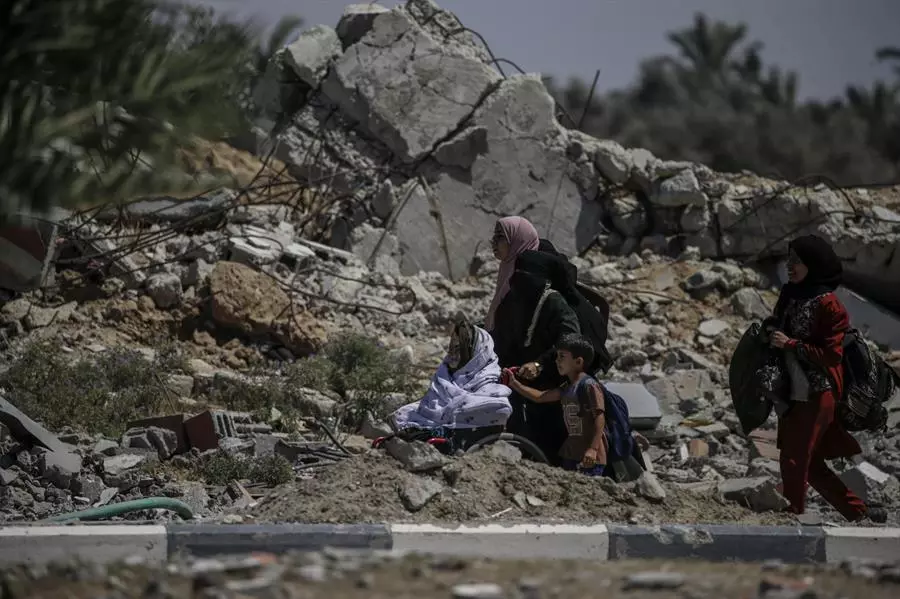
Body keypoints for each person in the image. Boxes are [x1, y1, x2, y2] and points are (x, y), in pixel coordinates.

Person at [765, 234, 886, 523]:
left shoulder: (830, 306)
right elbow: (777, 323)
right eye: (789, 260)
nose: (791, 266)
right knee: (811, 462)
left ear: (814, 264)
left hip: (818, 393)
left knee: (794, 456)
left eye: (798, 261)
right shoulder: (790, 294)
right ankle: (858, 511)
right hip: (792, 390)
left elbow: (831, 356)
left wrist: (791, 345)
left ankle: (791, 516)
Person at [504, 334, 631, 476]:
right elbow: (540, 397)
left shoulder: (589, 386)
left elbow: (599, 418)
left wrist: (593, 449)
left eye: (562, 357)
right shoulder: (567, 387)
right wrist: (514, 384)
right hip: (572, 451)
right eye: (557, 356)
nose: (557, 361)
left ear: (578, 361)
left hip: (589, 456)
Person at [391, 315, 512, 433]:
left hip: (462, 435)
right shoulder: (445, 373)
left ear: (476, 354)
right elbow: (431, 403)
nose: (452, 353)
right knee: (402, 414)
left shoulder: (486, 381)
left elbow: (499, 409)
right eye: (451, 347)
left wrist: (455, 408)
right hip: (436, 424)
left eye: (458, 348)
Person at [485, 216, 540, 332]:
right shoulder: (507, 269)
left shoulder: (526, 280)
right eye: (494, 235)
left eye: (500, 236)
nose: (493, 241)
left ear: (518, 240)